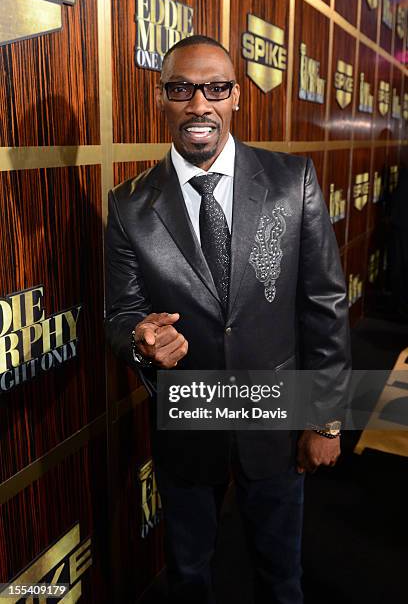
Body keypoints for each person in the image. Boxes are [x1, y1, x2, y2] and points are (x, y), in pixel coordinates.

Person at [105, 35, 351, 604]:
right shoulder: (127, 206)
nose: (199, 104)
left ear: (237, 97)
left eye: (215, 88)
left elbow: (325, 306)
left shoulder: (294, 181)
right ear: (160, 98)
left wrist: (326, 419)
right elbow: (121, 314)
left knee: (282, 578)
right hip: (188, 426)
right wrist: (140, 343)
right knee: (189, 576)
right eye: (181, 89)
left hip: (277, 417)